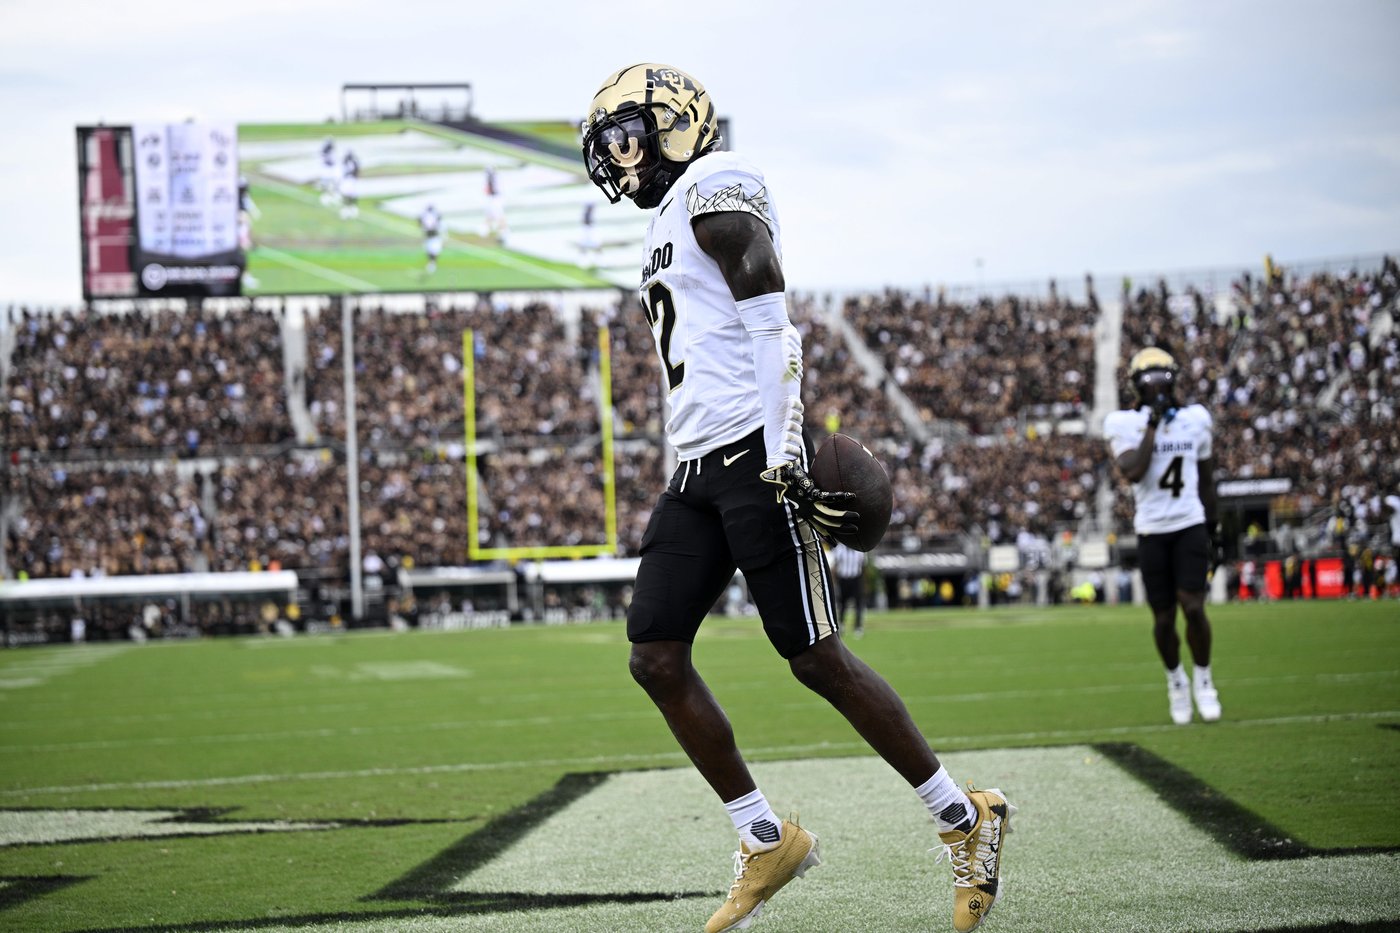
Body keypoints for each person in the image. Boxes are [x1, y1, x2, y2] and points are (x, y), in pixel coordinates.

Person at [582, 63, 1012, 933]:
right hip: (696, 465)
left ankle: (967, 817)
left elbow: (769, 313)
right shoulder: (662, 219)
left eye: (629, 135)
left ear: (674, 123)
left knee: (816, 656)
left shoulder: (714, 177)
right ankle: (765, 836)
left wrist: (784, 444)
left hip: (754, 452)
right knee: (654, 654)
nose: (619, 158)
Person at [1103, 347, 1223, 726]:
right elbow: (1133, 471)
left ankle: (1203, 678)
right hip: (1152, 528)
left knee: (1193, 606)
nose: (1156, 385)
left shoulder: (1195, 419)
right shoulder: (1123, 422)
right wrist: (1153, 425)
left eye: (1162, 377)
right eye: (1149, 379)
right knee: (1164, 618)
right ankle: (1176, 679)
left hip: (1189, 523)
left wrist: (1215, 531)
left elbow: (1205, 479)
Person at [830, 540, 868, 636]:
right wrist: (834, 582)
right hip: (843, 579)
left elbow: (863, 567)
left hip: (856, 579)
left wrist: (864, 583)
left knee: (858, 604)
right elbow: (835, 567)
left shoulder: (860, 550)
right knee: (842, 604)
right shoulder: (839, 549)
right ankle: (841, 625)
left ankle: (858, 627)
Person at [419, 204, 443, 275]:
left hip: (434, 238)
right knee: (431, 252)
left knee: (433, 252)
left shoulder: (429, 215)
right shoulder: (426, 215)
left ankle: (432, 264)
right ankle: (431, 264)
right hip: (430, 238)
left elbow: (439, 219)